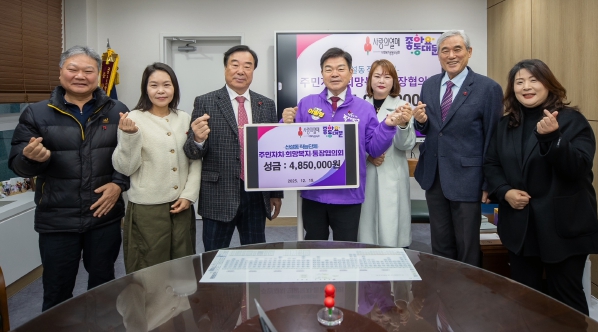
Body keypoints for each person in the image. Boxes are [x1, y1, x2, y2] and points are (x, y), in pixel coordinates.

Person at [8, 45, 130, 311]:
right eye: (73, 69)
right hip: (57, 219)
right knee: (57, 292)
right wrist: (31, 158)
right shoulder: (36, 113)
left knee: (104, 288)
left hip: (103, 216)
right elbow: (19, 165)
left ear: (98, 75)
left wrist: (118, 184)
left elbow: (129, 155)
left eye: (88, 70)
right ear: (61, 71)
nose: (80, 76)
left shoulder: (117, 110)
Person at [483, 59, 598, 314]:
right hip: (521, 227)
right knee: (524, 300)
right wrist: (505, 191)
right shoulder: (506, 124)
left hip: (563, 227)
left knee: (566, 302)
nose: (526, 87)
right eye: (519, 82)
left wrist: (553, 137)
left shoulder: (571, 120)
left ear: (548, 84)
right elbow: (492, 164)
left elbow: (578, 167)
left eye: (534, 80)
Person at [282, 47, 409, 242]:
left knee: (347, 247)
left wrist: (388, 126)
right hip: (313, 193)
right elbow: (288, 142)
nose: (334, 74)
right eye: (328, 69)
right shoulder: (307, 104)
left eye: (340, 69)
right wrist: (285, 122)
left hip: (348, 195)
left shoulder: (364, 108)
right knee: (314, 245)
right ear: (322, 73)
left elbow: (374, 149)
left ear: (350, 73)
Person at [413, 30, 503, 267]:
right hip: (434, 176)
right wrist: (420, 122)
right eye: (445, 50)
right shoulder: (430, 85)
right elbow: (431, 128)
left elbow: (493, 138)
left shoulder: (488, 88)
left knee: (467, 247)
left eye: (457, 49)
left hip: (468, 179)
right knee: (440, 245)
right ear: (438, 55)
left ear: (469, 52)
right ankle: (443, 287)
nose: (451, 55)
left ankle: (467, 290)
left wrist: (488, 183)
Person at [183, 45, 282, 252]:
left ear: (253, 70)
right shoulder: (206, 102)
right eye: (235, 65)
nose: (241, 71)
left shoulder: (267, 105)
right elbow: (192, 151)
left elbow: (274, 151)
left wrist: (275, 193)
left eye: (248, 66)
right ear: (225, 68)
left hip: (255, 195)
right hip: (218, 194)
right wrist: (198, 139)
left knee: (256, 255)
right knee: (214, 257)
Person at [112, 63, 201, 273]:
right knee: (149, 268)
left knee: (182, 266)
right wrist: (130, 136)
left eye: (166, 85)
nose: (161, 91)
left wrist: (189, 196)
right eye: (154, 85)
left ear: (174, 88)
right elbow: (125, 168)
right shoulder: (132, 119)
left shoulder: (184, 118)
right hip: (147, 207)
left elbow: (195, 160)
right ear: (145, 88)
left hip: (181, 204)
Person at [358, 59, 416, 248]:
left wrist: (403, 124)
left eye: (387, 77)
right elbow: (354, 142)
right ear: (370, 80)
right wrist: (368, 156)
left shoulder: (403, 106)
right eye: (377, 76)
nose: (381, 81)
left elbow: (405, 144)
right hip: (366, 172)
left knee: (391, 226)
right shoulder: (359, 106)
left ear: (394, 81)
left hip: (392, 172)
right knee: (365, 225)